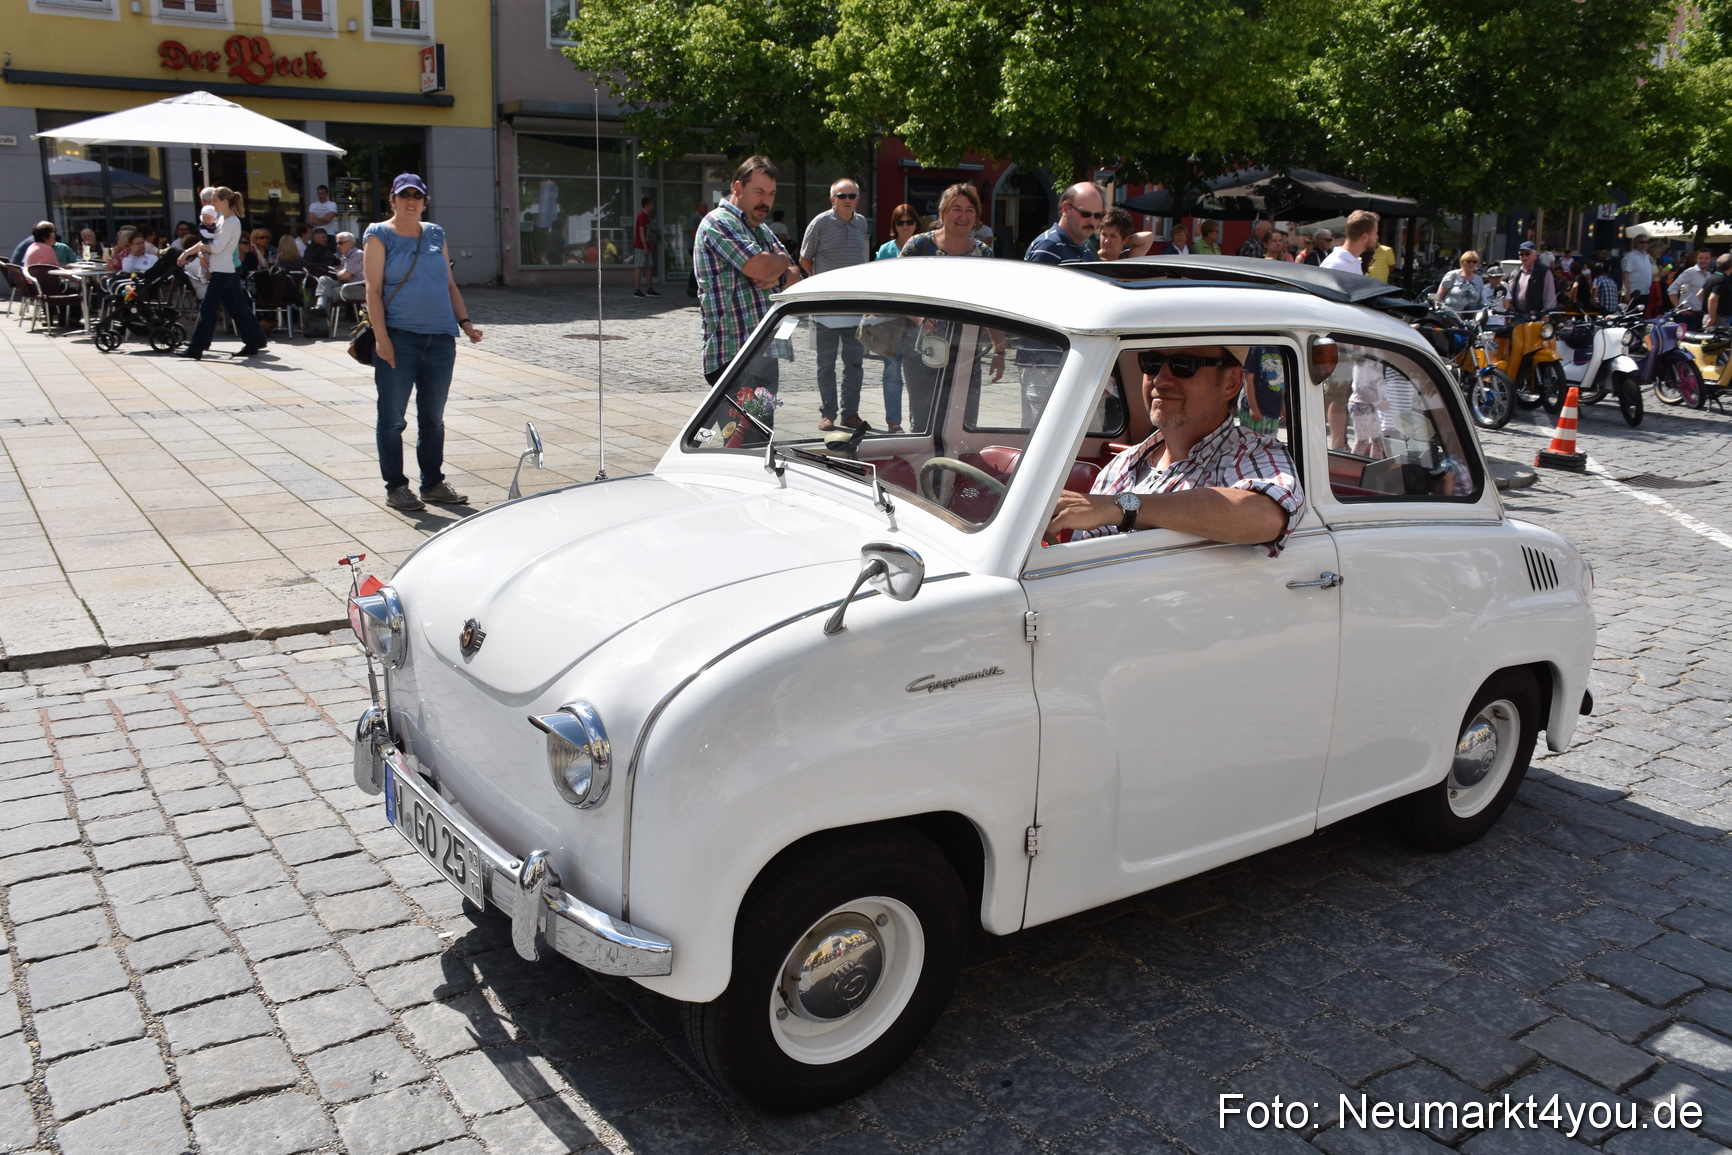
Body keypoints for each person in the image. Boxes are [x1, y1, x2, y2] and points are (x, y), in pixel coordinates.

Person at [1046, 345, 1304, 556]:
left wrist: (1122, 507)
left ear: (1231, 382)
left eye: (1184, 365)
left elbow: (1264, 516)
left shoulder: (1253, 452)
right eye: (1151, 363)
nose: (1161, 380)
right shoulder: (1121, 464)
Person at [363, 172, 485, 511]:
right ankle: (396, 487)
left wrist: (465, 323)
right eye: (404, 195)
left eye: (417, 195)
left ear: (424, 201)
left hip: (441, 339)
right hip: (400, 337)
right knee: (392, 418)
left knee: (433, 418)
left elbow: (449, 285)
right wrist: (382, 338)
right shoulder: (378, 234)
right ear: (393, 199)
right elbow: (372, 290)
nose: (411, 201)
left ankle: (432, 483)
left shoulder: (435, 233)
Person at [693, 155, 801, 386]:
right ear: (738, 187)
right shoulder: (719, 222)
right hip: (734, 354)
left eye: (771, 194)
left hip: (765, 348)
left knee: (764, 412)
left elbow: (796, 276)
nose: (766, 201)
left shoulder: (761, 229)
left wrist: (778, 276)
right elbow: (761, 267)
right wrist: (782, 259)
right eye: (759, 192)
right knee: (747, 413)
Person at [800, 177, 874, 430]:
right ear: (832, 199)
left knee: (854, 365)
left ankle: (850, 414)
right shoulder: (820, 223)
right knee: (826, 365)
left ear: (858, 199)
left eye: (852, 196)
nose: (847, 200)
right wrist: (822, 284)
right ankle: (828, 413)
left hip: (854, 307)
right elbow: (805, 259)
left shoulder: (861, 223)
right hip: (826, 308)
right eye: (842, 196)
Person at [175, 186, 269, 362]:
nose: (212, 204)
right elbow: (207, 242)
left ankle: (196, 348)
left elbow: (216, 247)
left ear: (224, 201)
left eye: (215, 200)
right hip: (224, 269)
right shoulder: (222, 220)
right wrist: (188, 252)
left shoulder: (231, 222)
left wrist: (195, 251)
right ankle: (253, 342)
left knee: (208, 308)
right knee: (235, 306)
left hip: (223, 270)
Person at [872, 204, 922, 433]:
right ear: (894, 225)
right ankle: (893, 422)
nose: (905, 226)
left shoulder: (923, 247)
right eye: (900, 222)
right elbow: (879, 282)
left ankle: (917, 420)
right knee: (892, 373)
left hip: (917, 321)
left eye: (909, 221)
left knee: (916, 375)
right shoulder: (886, 250)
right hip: (892, 321)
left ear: (916, 224)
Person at [901, 182, 993, 258]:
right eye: (957, 209)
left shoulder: (984, 253)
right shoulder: (917, 246)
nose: (963, 217)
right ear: (942, 212)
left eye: (969, 210)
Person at [1023, 182, 1105, 265]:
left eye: (1098, 215)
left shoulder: (1085, 250)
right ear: (1065, 209)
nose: (1091, 221)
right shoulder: (1048, 247)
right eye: (1085, 214)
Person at [312, 231, 363, 331]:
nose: (338, 246)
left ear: (351, 243)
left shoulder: (358, 254)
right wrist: (342, 274)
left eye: (341, 243)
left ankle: (320, 328)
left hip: (358, 287)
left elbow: (345, 276)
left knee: (328, 293)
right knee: (324, 279)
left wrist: (341, 274)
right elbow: (343, 276)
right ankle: (320, 306)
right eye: (337, 243)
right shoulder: (345, 257)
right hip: (346, 285)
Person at [1508, 241, 1557, 314]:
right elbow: (1509, 295)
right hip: (1517, 315)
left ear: (1535, 255)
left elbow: (1550, 297)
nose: (1524, 256)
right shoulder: (1516, 272)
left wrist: (1545, 314)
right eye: (1521, 254)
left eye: (1527, 254)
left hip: (1536, 316)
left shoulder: (1544, 272)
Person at [1669, 249, 1712, 329]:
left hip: (1702, 316)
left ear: (1710, 260)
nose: (1703, 260)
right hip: (1688, 317)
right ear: (1697, 259)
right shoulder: (1690, 272)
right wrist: (1678, 308)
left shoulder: (1709, 274)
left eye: (1706, 258)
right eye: (1701, 258)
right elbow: (1672, 289)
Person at [631, 195, 659, 297]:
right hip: (641, 246)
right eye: (652, 204)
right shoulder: (642, 216)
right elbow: (641, 231)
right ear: (647, 205)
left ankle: (650, 288)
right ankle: (637, 290)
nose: (653, 206)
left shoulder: (646, 216)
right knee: (639, 267)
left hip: (646, 245)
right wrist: (645, 246)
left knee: (649, 266)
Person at [1622, 235, 1654, 306]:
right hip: (1633, 293)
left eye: (1646, 242)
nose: (1644, 244)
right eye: (1642, 242)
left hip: (1645, 292)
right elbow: (1625, 276)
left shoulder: (1647, 257)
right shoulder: (1630, 257)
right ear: (1635, 243)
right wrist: (1627, 293)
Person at [1702, 253, 1732, 328]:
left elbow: (1700, 293)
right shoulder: (1722, 280)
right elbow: (1712, 299)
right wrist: (1712, 317)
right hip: (1718, 319)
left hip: (1710, 316)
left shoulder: (1713, 277)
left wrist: (1709, 309)